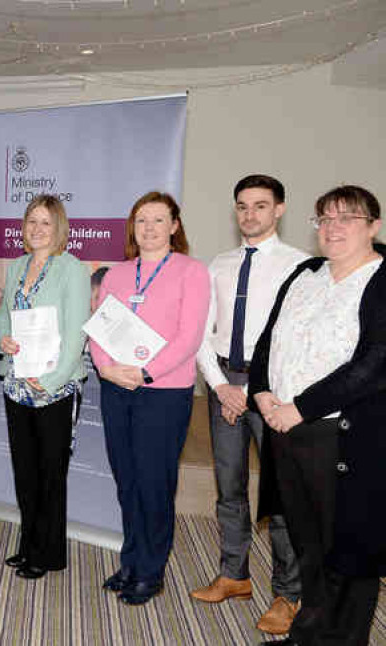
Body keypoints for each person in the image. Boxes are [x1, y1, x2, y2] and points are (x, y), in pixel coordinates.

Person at [249, 186, 385, 646]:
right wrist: (262, 393)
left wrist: (300, 408)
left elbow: (374, 363)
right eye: (325, 218)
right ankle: (308, 633)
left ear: (374, 226)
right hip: (287, 432)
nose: (334, 227)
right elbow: (269, 339)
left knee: (349, 551)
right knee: (308, 544)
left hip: (344, 439)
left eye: (348, 217)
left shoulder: (382, 279)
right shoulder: (305, 274)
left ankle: (344, 639)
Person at [191, 175, 306, 634]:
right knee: (230, 489)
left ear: (279, 209)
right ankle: (234, 575)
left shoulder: (301, 266)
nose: (249, 215)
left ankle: (288, 593)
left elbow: (296, 340)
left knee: (279, 498)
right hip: (225, 388)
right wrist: (220, 387)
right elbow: (203, 333)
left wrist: (262, 390)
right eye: (242, 206)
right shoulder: (217, 264)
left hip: (274, 392)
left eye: (260, 206)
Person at [90, 191, 210, 604]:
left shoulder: (191, 272)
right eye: (141, 220)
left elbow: (189, 337)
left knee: (154, 483)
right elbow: (100, 328)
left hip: (163, 392)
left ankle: (151, 570)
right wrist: (106, 367)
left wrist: (144, 371)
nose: (149, 228)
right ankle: (130, 561)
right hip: (115, 388)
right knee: (126, 480)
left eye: (158, 220)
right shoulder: (117, 274)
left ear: (175, 226)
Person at [0, 195, 89, 579]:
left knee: (51, 473)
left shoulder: (73, 269)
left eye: (46, 222)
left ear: (59, 227)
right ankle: (28, 543)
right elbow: (3, 317)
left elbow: (77, 331)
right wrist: (3, 340)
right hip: (17, 384)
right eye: (32, 221)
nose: (37, 229)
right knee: (24, 470)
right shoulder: (16, 266)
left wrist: (48, 380)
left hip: (55, 388)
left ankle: (47, 554)